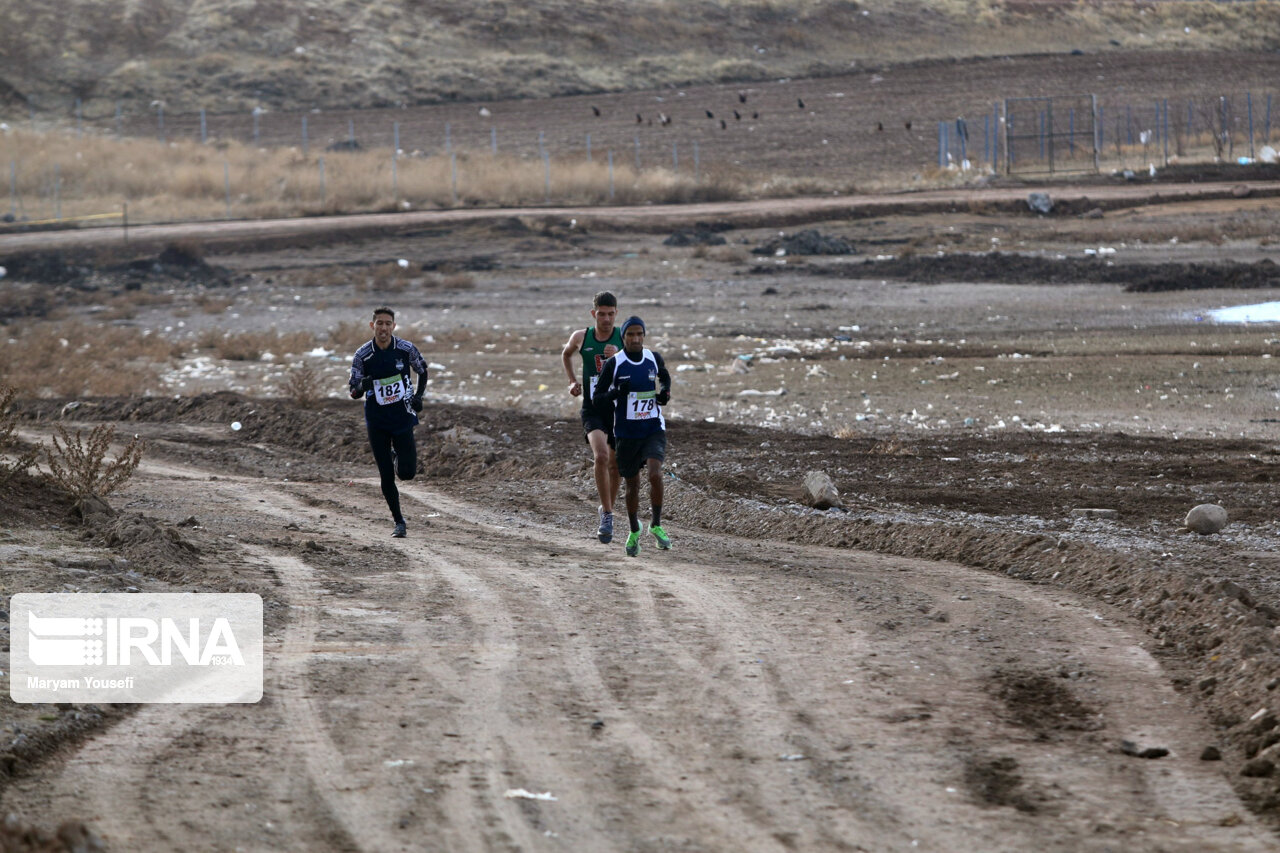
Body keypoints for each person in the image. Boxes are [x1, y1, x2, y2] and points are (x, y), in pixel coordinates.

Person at [591, 315, 672, 557]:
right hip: (626, 433)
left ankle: (656, 525)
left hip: (652, 428)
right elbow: (597, 398)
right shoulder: (614, 364)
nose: (635, 339)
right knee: (633, 486)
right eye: (630, 335)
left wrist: (665, 392)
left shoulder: (652, 358)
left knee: (656, 474)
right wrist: (615, 392)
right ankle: (634, 530)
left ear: (644, 335)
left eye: (639, 334)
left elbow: (665, 377)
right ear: (624, 337)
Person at [348, 306, 428, 538]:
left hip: (402, 416)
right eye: (379, 323)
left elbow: (422, 370)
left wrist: (419, 396)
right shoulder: (362, 355)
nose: (383, 328)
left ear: (393, 326)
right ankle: (399, 521)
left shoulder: (405, 349)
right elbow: (353, 391)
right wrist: (363, 385)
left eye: (388, 323)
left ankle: (397, 458)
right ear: (372, 326)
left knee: (408, 473)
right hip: (377, 421)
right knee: (386, 476)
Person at [560, 291, 623, 543]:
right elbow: (565, 354)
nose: (606, 319)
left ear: (616, 313)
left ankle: (607, 506)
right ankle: (607, 514)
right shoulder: (581, 337)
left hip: (618, 408)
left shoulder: (623, 338)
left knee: (616, 465)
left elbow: (639, 363)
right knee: (601, 456)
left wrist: (617, 356)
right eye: (601, 313)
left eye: (610, 314)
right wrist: (572, 382)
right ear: (593, 313)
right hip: (593, 406)